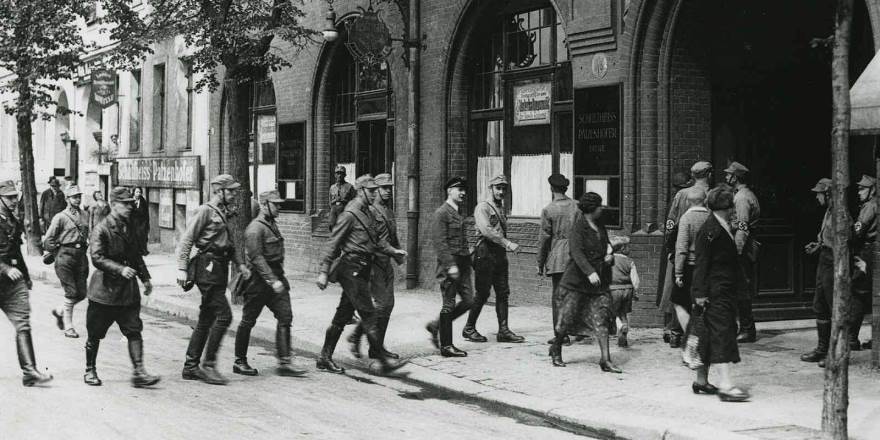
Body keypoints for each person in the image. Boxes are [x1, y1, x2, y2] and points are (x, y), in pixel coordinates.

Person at [315, 174, 408, 375]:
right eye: (371, 191)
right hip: (351, 268)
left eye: (375, 191)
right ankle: (384, 362)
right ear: (361, 191)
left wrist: (393, 251)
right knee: (369, 313)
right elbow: (333, 243)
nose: (374, 194)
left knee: (342, 316)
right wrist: (323, 271)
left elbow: (377, 240)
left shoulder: (367, 212)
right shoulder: (350, 214)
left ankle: (324, 357)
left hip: (362, 268)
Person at [176, 174, 251, 385]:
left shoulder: (224, 212)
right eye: (231, 191)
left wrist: (240, 264)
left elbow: (229, 244)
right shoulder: (205, 211)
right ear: (220, 191)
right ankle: (208, 365)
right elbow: (187, 239)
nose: (234, 194)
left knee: (206, 318)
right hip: (206, 268)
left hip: (219, 268)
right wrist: (182, 268)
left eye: (235, 190)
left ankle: (190, 366)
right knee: (224, 316)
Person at [83, 187, 159, 388]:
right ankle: (90, 369)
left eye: (131, 204)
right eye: (125, 204)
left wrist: (145, 279)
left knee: (134, 330)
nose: (130, 207)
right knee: (95, 333)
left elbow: (136, 255)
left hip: (127, 292)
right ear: (114, 205)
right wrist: (120, 269)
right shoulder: (102, 228)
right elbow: (97, 258)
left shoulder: (129, 226)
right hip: (104, 292)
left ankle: (139, 372)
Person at [233, 190, 307, 377]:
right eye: (276, 204)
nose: (279, 207)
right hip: (258, 282)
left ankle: (285, 362)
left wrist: (277, 279)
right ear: (265, 205)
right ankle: (239, 361)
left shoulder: (271, 225)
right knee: (248, 320)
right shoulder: (255, 229)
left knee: (285, 316)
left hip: (276, 278)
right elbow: (257, 258)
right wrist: (272, 280)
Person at [549, 192, 621, 373]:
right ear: (591, 209)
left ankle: (605, 360)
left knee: (602, 318)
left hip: (599, 283)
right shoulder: (578, 228)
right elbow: (576, 252)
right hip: (577, 282)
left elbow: (606, 246)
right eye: (599, 206)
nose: (602, 208)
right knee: (566, 319)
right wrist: (589, 272)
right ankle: (556, 348)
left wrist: (609, 256)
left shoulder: (600, 225)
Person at [691, 186, 749, 402]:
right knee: (721, 335)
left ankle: (701, 381)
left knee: (708, 335)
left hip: (719, 291)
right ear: (726, 207)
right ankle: (725, 386)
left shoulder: (719, 227)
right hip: (715, 293)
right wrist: (700, 293)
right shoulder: (711, 230)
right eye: (732, 206)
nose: (734, 210)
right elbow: (701, 263)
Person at [0, 180, 53, 386]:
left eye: (15, 196)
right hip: (5, 274)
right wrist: (5, 269)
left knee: (22, 323)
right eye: (9, 197)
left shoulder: (13, 220)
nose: (14, 201)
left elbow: (16, 252)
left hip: (12, 284)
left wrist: (26, 277)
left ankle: (30, 371)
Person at [348, 173, 404, 359]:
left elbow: (392, 236)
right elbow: (374, 239)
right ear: (376, 190)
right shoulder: (370, 211)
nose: (388, 191)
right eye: (384, 188)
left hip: (386, 262)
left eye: (390, 188)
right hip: (373, 263)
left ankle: (367, 342)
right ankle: (373, 347)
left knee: (387, 305)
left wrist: (398, 255)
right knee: (381, 305)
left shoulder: (389, 211)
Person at [463, 175, 524, 343]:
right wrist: (508, 243)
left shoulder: (500, 207)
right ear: (490, 188)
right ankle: (469, 328)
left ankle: (503, 331)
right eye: (498, 188)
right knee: (482, 293)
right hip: (485, 253)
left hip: (499, 254)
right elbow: (487, 230)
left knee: (503, 292)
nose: (501, 192)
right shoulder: (483, 207)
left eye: (504, 188)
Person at [660, 162, 712, 348]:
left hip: (682, 250)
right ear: (709, 174)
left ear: (693, 175)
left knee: (679, 294)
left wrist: (670, 248)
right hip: (706, 255)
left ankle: (676, 333)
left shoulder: (682, 194)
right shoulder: (712, 194)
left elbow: (670, 223)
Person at [425, 177, 474, 357]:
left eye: (464, 190)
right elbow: (440, 243)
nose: (463, 193)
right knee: (449, 304)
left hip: (463, 264)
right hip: (450, 265)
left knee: (469, 300)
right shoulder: (441, 213)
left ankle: (436, 326)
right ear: (449, 191)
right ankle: (446, 346)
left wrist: (469, 258)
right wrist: (450, 266)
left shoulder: (458, 212)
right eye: (459, 189)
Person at [537, 173, 578, 346]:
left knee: (558, 297)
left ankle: (561, 335)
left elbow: (544, 239)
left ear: (551, 188)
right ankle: (578, 330)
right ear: (566, 188)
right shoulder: (577, 206)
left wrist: (540, 262)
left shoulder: (549, 210)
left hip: (558, 257)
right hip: (577, 256)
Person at [44, 185, 90, 338]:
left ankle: (59, 311)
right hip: (65, 256)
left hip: (81, 256)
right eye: (74, 197)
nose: (77, 199)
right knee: (71, 292)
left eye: (79, 196)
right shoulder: (60, 217)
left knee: (82, 293)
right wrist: (57, 252)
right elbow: (48, 240)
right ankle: (69, 327)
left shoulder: (85, 215)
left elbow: (87, 233)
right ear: (67, 199)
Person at [724, 162, 761, 343]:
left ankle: (747, 329)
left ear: (735, 177)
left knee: (741, 289)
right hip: (744, 246)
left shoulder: (741, 198)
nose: (726, 177)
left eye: (729, 174)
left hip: (743, 248)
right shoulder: (743, 195)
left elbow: (743, 228)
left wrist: (736, 251)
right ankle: (744, 327)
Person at [801, 178, 834, 364]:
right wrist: (819, 245)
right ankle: (822, 349)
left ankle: (834, 353)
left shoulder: (840, 215)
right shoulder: (829, 211)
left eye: (819, 194)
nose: (817, 197)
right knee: (820, 305)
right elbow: (828, 237)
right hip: (825, 259)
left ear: (828, 194)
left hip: (833, 261)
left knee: (832, 305)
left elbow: (844, 241)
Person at [672, 190, 710, 334]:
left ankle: (692, 334)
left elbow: (681, 247)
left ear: (688, 202)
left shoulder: (686, 218)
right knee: (702, 303)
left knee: (680, 302)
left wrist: (678, 273)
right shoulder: (710, 217)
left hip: (689, 266)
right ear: (705, 201)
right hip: (706, 266)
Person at [848, 174, 877, 351]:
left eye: (862, 189)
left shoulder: (870, 206)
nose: (859, 192)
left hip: (867, 252)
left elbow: (858, 231)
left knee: (858, 293)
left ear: (872, 190)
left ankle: (851, 338)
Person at [609, 236, 639, 348]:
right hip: (627, 290)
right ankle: (623, 335)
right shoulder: (630, 261)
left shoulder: (609, 260)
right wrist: (635, 291)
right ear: (622, 249)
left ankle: (620, 326)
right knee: (623, 313)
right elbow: (635, 279)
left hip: (613, 289)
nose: (629, 249)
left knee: (612, 312)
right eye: (628, 247)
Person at [131, 187, 150, 255]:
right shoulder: (130, 201)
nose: (138, 194)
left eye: (139, 192)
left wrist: (146, 225)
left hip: (141, 223)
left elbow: (146, 214)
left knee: (141, 237)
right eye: (137, 192)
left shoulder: (143, 202)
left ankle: (141, 251)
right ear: (133, 192)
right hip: (132, 223)